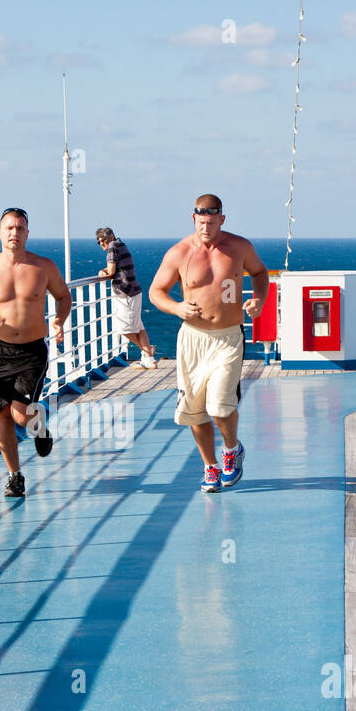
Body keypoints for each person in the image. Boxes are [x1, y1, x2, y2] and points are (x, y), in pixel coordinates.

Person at [148, 193, 268, 492]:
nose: (206, 228)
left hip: (228, 336)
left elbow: (260, 272)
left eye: (212, 222)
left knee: (219, 405)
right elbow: (156, 291)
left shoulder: (239, 247)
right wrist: (176, 308)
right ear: (194, 219)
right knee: (194, 409)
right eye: (201, 222)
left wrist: (260, 300)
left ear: (222, 220)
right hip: (192, 340)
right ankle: (210, 466)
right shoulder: (179, 253)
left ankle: (232, 450)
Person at [0, 207, 72, 498]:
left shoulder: (43, 267)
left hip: (32, 353)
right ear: (0, 232)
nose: (14, 233)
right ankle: (15, 476)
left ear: (27, 232)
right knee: (1, 417)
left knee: (20, 415)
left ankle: (40, 427)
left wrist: (59, 320)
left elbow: (63, 296)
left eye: (20, 228)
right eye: (9, 228)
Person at [95, 228, 156, 368]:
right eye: (99, 242)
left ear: (110, 237)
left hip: (126, 293)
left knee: (123, 329)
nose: (102, 244)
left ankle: (147, 351)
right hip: (134, 291)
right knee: (138, 325)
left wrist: (102, 271)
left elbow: (111, 272)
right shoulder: (120, 244)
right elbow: (118, 268)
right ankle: (148, 357)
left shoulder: (112, 247)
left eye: (103, 240)